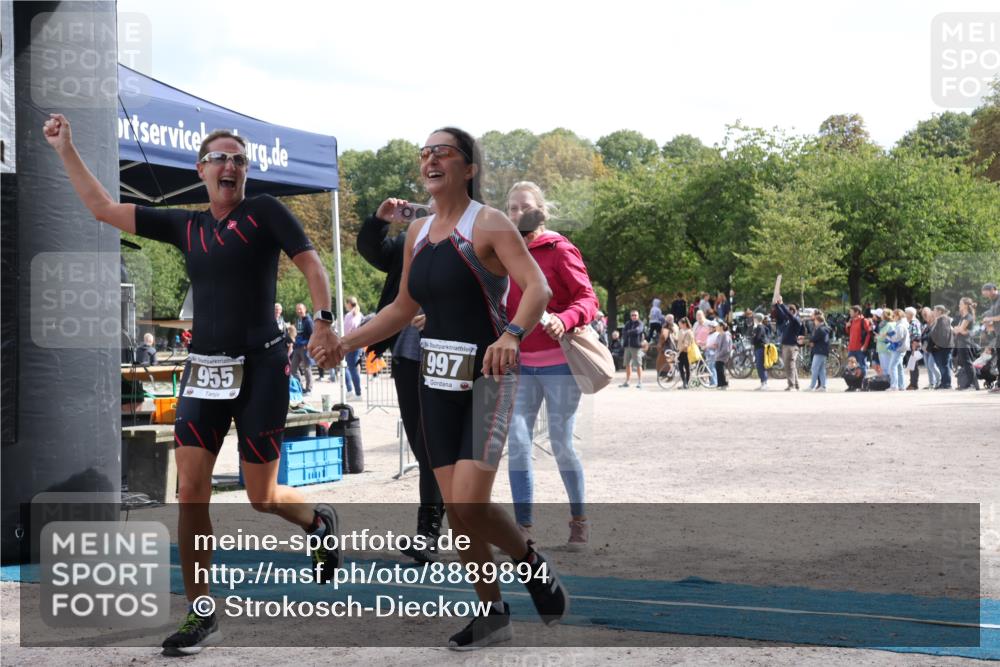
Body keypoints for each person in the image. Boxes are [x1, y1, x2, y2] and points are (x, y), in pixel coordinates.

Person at [43, 115, 341, 656]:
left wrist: (322, 319)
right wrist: (66, 149)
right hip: (205, 371)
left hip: (262, 369)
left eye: (240, 160)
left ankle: (317, 519)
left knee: (260, 495)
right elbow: (104, 209)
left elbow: (312, 264)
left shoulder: (266, 212)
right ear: (201, 170)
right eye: (221, 158)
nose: (231, 166)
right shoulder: (187, 226)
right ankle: (201, 615)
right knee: (190, 494)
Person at [316, 128, 566, 648]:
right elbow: (402, 308)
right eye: (424, 152)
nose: (430, 159)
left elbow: (537, 287)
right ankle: (493, 612)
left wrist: (512, 334)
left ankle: (529, 561)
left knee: (471, 505)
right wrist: (346, 342)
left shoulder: (490, 224)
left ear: (468, 167)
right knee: (456, 512)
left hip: (487, 380)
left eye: (442, 152)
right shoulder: (418, 234)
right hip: (436, 381)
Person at [504, 181, 598, 552]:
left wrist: (567, 318)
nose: (517, 213)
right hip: (522, 366)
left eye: (524, 206)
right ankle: (523, 529)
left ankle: (579, 520)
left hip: (560, 364)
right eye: (511, 208)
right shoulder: (504, 253)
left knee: (561, 444)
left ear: (540, 209)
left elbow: (588, 298)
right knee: (517, 441)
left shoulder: (560, 250)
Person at [357, 203, 444, 563]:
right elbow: (370, 249)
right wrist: (379, 219)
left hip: (450, 356)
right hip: (409, 358)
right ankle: (429, 533)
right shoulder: (410, 241)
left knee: (441, 449)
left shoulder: (472, 239)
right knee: (424, 447)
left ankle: (433, 531)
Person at [772, 295, 803, 390]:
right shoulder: (789, 320)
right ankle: (796, 385)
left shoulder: (796, 320)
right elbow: (782, 314)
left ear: (793, 312)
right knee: (791, 366)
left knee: (789, 366)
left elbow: (787, 314)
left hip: (791, 346)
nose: (788, 313)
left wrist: (782, 304)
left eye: (790, 311)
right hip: (787, 345)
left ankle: (791, 385)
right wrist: (777, 305)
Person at [953, 297, 979, 391]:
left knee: (968, 363)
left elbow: (959, 330)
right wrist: (959, 329)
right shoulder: (963, 317)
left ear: (966, 305)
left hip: (965, 343)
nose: (959, 305)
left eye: (961, 303)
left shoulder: (968, 317)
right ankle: (969, 384)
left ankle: (972, 385)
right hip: (961, 343)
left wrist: (958, 329)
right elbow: (959, 330)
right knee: (965, 363)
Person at [341, 297, 364, 398]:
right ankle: (352, 390)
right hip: (359, 343)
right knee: (351, 368)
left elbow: (345, 330)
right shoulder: (360, 315)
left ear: (349, 304)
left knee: (346, 367)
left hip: (349, 343)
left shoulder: (348, 316)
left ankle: (356, 392)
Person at [290, 303, 314, 395]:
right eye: (297, 309)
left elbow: (312, 334)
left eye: (301, 309)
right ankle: (299, 386)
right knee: (293, 368)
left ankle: (309, 389)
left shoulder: (308, 321)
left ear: (305, 309)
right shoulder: (298, 320)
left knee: (307, 368)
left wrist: (308, 344)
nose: (299, 311)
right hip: (297, 347)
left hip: (305, 348)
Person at [930, 305, 955, 389]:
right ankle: (944, 383)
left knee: (944, 365)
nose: (933, 312)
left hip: (943, 347)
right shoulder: (940, 319)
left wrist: (938, 344)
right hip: (943, 346)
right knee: (942, 365)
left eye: (934, 310)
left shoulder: (943, 319)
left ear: (940, 311)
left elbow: (944, 334)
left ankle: (947, 384)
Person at [621, 310, 645, 388]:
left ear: (638, 316)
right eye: (632, 315)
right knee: (627, 364)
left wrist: (628, 332)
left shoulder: (640, 323)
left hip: (636, 347)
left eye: (635, 315)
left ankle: (640, 381)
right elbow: (623, 332)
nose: (634, 316)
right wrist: (629, 332)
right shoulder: (628, 323)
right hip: (627, 346)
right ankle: (627, 381)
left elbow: (638, 331)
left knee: (638, 364)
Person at [807, 312, 831, 391]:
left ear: (818, 321)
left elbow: (813, 338)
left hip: (819, 351)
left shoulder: (820, 329)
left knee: (814, 368)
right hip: (823, 351)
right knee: (821, 369)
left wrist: (810, 341)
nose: (814, 322)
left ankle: (812, 386)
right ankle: (823, 386)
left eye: (815, 320)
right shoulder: (825, 328)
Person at [845, 305, 872, 375]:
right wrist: (847, 327)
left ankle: (863, 383)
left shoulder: (864, 321)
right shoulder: (852, 321)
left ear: (857, 312)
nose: (850, 313)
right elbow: (849, 333)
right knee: (850, 366)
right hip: (851, 348)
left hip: (860, 348)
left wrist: (865, 346)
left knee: (862, 366)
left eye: (851, 312)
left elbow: (869, 334)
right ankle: (853, 383)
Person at [920, 307, 941, 389]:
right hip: (925, 348)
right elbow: (924, 337)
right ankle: (931, 383)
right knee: (928, 367)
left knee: (931, 365)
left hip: (933, 348)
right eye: (923, 314)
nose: (924, 316)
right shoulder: (926, 326)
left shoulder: (935, 324)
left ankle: (939, 381)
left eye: (926, 314)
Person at [751, 312, 769, 390]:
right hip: (759, 348)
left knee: (760, 365)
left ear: (757, 319)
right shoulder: (761, 327)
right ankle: (763, 382)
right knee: (759, 366)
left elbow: (757, 338)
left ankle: (764, 383)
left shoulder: (759, 327)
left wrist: (753, 338)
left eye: (754, 318)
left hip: (760, 348)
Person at [676, 317, 695, 389]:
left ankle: (686, 383)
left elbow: (686, 344)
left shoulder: (689, 332)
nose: (679, 325)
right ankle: (684, 382)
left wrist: (679, 351)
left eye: (680, 324)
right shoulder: (680, 331)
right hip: (680, 351)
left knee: (687, 368)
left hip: (686, 352)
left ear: (684, 324)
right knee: (680, 367)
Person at [714, 321, 731, 390]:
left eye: (717, 326)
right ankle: (720, 384)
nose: (716, 327)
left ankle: (724, 384)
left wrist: (720, 354)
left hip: (723, 356)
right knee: (718, 369)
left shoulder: (726, 334)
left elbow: (726, 347)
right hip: (718, 355)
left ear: (721, 327)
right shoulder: (719, 335)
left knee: (722, 369)